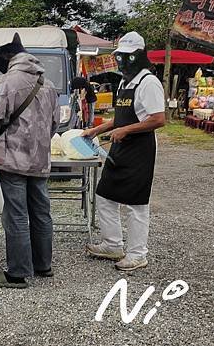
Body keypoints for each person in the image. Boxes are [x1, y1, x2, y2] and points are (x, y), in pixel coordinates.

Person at [0, 33, 60, 289]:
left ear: (7, 62)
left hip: (12, 158)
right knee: (41, 212)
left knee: (16, 214)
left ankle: (17, 273)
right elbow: (54, 124)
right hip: (40, 159)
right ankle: (42, 265)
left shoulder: (6, 82)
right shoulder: (48, 84)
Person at [82, 31, 165, 271]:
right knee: (105, 195)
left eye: (127, 57)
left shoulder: (148, 82)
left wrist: (127, 130)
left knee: (135, 205)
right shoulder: (124, 82)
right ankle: (112, 244)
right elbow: (120, 117)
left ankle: (138, 254)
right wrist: (97, 130)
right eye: (120, 57)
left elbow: (158, 119)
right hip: (120, 148)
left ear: (139, 56)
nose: (122, 62)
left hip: (139, 150)